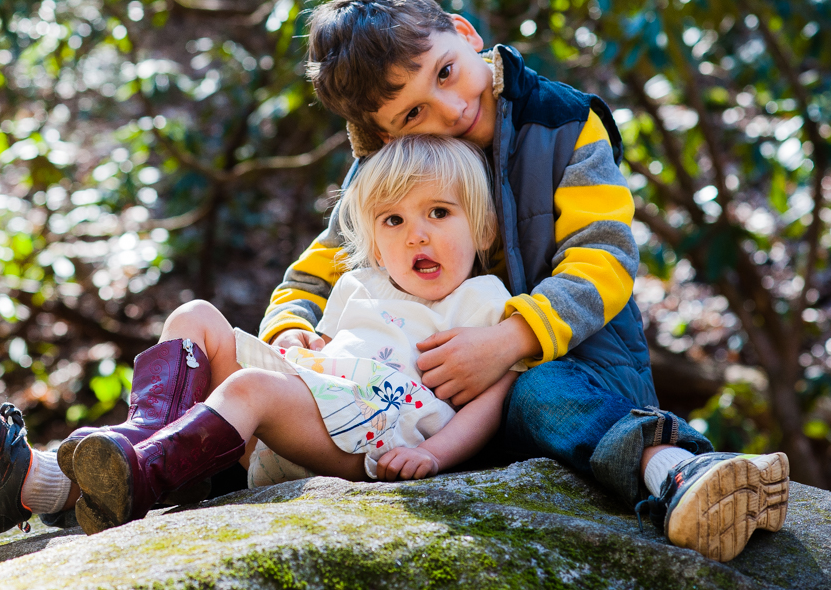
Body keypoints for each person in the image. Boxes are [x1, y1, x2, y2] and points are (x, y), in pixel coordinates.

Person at [259, 0, 787, 563]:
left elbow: (604, 258)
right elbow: (315, 272)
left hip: (571, 377)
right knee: (282, 391)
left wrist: (509, 340)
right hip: (433, 418)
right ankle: (165, 458)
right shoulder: (391, 172)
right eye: (411, 115)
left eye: (446, 72)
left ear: (463, 33)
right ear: (380, 139)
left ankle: (680, 474)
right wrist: (289, 331)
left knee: (541, 392)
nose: (452, 108)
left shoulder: (563, 124)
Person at [69, 135, 519, 534]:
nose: (416, 236)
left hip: (375, 433)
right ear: (375, 243)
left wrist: (436, 454)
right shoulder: (359, 284)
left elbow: (489, 403)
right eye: (393, 220)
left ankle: (146, 478)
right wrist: (300, 341)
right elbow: (328, 351)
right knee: (195, 315)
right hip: (313, 407)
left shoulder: (485, 301)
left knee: (250, 388)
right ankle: (142, 437)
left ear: (482, 229)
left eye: (438, 212)